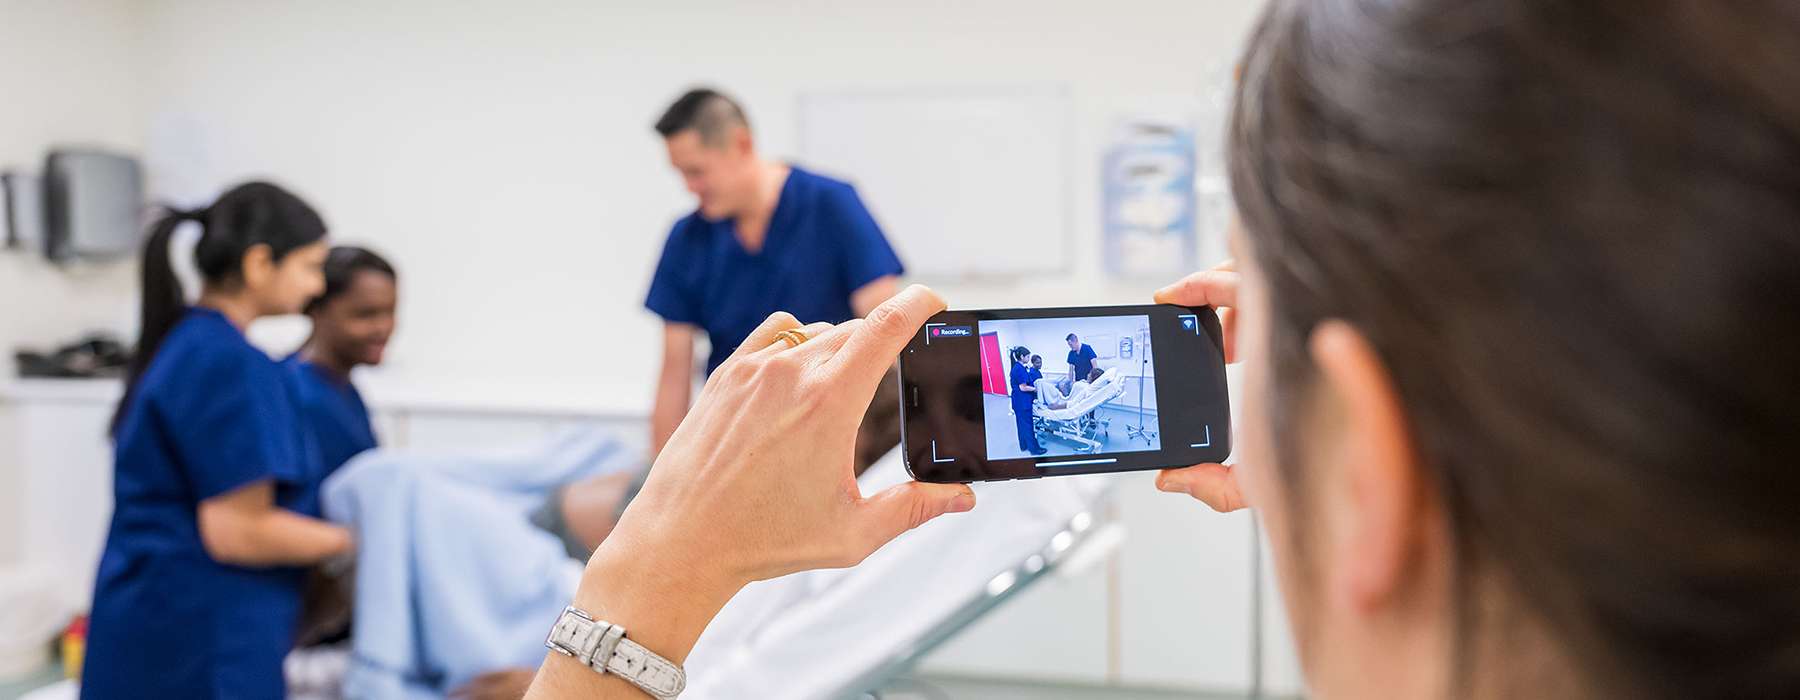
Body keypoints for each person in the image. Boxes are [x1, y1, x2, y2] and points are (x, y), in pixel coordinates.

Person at [524, 1, 1800, 698]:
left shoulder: (829, 203)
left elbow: (877, 323)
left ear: (1367, 469)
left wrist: (632, 596)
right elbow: (672, 362)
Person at [84, 182, 353, 700]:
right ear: (259, 264)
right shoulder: (232, 363)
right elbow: (237, 530)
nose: (317, 285)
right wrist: (352, 542)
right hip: (203, 639)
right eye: (309, 266)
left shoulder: (186, 341)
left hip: (153, 620)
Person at [644, 87, 904, 455]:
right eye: (681, 175)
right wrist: (661, 477)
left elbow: (885, 332)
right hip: (732, 439)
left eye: (697, 172)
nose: (689, 188)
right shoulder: (688, 239)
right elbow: (674, 372)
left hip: (833, 435)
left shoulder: (830, 205)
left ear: (741, 144)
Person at [286, 246, 397, 479]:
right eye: (366, 314)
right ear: (316, 308)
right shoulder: (296, 394)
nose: (383, 327)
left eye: (390, 312)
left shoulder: (342, 388)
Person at [1008, 346, 1046, 456]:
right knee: (1028, 426)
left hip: (1018, 401)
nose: (1029, 358)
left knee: (1021, 425)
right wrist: (1035, 389)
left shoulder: (1017, 367)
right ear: (1022, 357)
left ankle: (1023, 445)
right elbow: (1023, 387)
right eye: (1028, 356)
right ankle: (1034, 449)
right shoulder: (1019, 369)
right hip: (1022, 402)